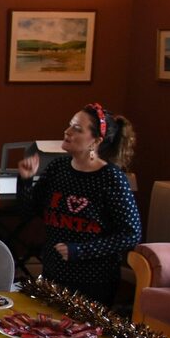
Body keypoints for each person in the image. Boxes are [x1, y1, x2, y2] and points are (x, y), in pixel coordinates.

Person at [17, 103, 140, 306]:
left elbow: (131, 234)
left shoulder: (111, 178)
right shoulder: (58, 168)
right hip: (53, 271)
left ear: (95, 142)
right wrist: (25, 180)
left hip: (94, 279)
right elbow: (29, 211)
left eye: (77, 129)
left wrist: (80, 250)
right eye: (69, 125)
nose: (67, 132)